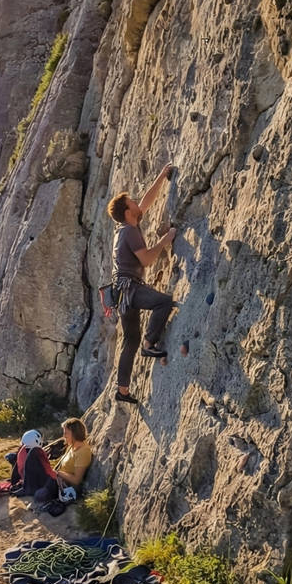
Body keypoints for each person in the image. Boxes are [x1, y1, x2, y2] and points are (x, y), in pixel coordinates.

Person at [108, 163, 180, 405]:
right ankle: (150, 344)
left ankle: (123, 390)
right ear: (128, 212)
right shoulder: (130, 232)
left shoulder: (123, 229)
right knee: (163, 302)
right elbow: (147, 260)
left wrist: (161, 175)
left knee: (130, 339)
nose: (138, 203)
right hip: (130, 288)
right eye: (133, 203)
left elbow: (147, 202)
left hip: (120, 292)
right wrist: (165, 240)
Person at [53, 417, 92, 492]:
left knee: (40, 494)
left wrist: (58, 473)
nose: (64, 436)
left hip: (65, 484)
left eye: (65, 433)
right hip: (57, 478)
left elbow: (76, 480)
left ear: (74, 434)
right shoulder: (72, 445)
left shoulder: (82, 451)